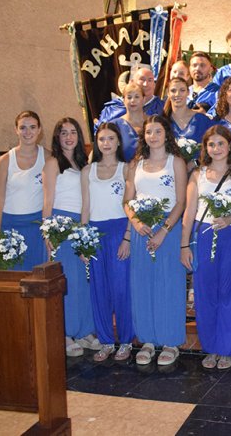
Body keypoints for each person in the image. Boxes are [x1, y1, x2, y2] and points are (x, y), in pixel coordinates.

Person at [123, 116, 188, 366]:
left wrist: (164, 231)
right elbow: (128, 200)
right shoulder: (135, 164)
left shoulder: (176, 162)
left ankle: (170, 341)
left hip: (168, 231)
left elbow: (181, 201)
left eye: (158, 131)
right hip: (142, 230)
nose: (153, 136)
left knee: (167, 283)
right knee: (143, 284)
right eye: (148, 132)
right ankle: (148, 340)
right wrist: (137, 222)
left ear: (166, 134)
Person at [180, 126, 231, 370]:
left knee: (229, 293)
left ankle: (227, 349)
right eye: (211, 144)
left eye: (220, 143)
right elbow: (189, 212)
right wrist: (184, 245)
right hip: (204, 236)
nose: (216, 149)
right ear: (205, 148)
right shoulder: (197, 174)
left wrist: (230, 219)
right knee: (205, 294)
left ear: (230, 145)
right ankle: (209, 347)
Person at [42, 117, 99, 356]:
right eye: (63, 132)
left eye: (73, 132)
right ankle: (64, 334)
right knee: (66, 283)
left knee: (82, 282)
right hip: (60, 226)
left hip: (80, 225)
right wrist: (48, 234)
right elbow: (47, 201)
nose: (68, 137)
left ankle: (84, 330)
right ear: (57, 137)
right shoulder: (53, 163)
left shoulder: (82, 162)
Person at [80, 123, 134, 362]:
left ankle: (126, 341)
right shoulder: (87, 171)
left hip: (118, 231)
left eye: (111, 138)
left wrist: (127, 238)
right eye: (102, 139)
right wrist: (83, 242)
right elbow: (85, 208)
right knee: (98, 289)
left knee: (121, 289)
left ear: (118, 142)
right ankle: (105, 340)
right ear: (97, 142)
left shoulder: (126, 169)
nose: (106, 143)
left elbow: (132, 207)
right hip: (95, 233)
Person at [0, 111, 49, 271]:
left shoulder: (49, 157)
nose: (28, 132)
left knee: (37, 279)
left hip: (37, 228)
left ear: (39, 130)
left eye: (32, 127)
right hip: (10, 227)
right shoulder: (5, 160)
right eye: (23, 127)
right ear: (16, 130)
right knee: (12, 280)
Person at [95, 67, 164, 130]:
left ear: (154, 84)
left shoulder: (162, 107)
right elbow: (101, 134)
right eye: (142, 79)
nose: (146, 84)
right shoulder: (112, 109)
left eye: (150, 80)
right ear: (132, 82)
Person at [164, 76, 214, 149]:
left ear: (188, 92)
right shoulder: (163, 121)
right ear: (168, 93)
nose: (177, 94)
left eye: (182, 90)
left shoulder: (201, 120)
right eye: (173, 91)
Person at [111, 83, 146, 161]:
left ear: (144, 100)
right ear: (123, 101)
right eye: (129, 97)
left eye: (137, 97)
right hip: (124, 171)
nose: (133, 100)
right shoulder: (114, 125)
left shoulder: (154, 122)